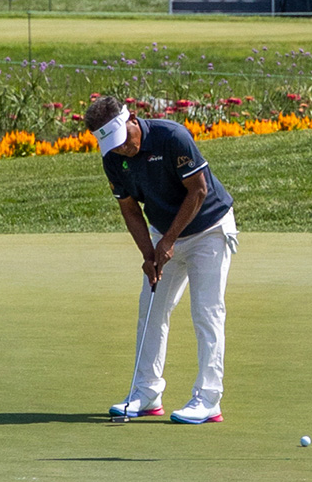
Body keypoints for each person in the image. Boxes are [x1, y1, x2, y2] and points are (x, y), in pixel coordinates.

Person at [85, 96, 238, 424]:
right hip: (163, 233)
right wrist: (148, 253)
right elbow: (129, 208)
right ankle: (146, 391)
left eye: (124, 139)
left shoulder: (172, 138)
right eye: (113, 144)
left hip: (209, 229)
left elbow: (198, 191)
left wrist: (167, 242)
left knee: (206, 312)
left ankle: (209, 399)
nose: (122, 148)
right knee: (152, 311)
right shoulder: (113, 158)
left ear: (132, 119)